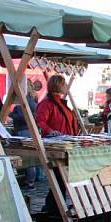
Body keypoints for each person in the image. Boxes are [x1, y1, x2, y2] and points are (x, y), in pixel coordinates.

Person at [36, 75, 80, 213]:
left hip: (66, 144)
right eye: (64, 83)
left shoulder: (60, 101)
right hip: (56, 146)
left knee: (61, 179)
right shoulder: (47, 103)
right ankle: (52, 208)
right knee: (59, 179)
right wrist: (51, 131)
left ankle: (53, 207)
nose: (66, 86)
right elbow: (40, 121)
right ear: (59, 85)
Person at [9, 78, 40, 189]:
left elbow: (22, 117)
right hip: (29, 130)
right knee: (30, 156)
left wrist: (10, 115)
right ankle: (31, 180)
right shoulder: (32, 99)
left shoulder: (24, 101)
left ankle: (29, 181)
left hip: (23, 130)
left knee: (27, 157)